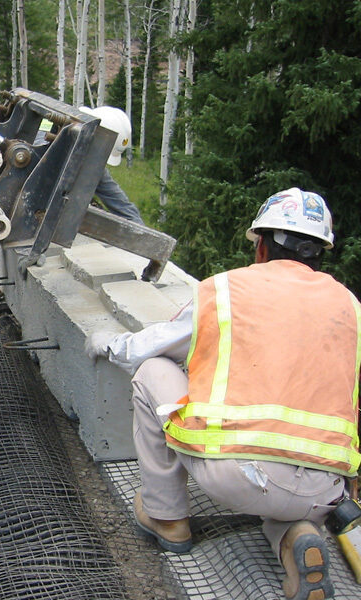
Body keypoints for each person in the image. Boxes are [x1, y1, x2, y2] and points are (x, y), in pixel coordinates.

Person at [86, 188, 359, 600]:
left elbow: (152, 346)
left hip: (235, 476)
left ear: (262, 246)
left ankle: (167, 518)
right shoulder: (350, 306)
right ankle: (294, 535)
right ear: (319, 252)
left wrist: (107, 342)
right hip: (324, 490)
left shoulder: (227, 290)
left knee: (151, 372)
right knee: (291, 505)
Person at [0, 106, 143, 342]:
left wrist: (140, 236)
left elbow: (117, 201)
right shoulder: (50, 140)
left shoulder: (88, 157)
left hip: (0, 196)